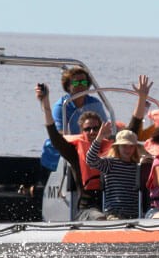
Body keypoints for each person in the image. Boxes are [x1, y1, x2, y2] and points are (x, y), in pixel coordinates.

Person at [35, 75, 152, 220]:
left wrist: (141, 98)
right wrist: (45, 103)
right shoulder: (73, 152)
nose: (92, 132)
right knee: (100, 218)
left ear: (102, 129)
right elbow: (54, 135)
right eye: (87, 129)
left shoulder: (113, 147)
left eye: (96, 128)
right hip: (88, 209)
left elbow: (132, 129)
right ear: (82, 131)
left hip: (113, 207)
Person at [40, 67, 108, 172]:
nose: (81, 85)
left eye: (84, 82)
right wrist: (82, 139)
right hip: (63, 150)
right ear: (68, 86)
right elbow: (59, 134)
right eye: (76, 83)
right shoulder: (61, 106)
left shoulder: (95, 104)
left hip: (88, 147)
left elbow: (105, 128)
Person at [86, 123, 146, 220]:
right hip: (114, 214)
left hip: (135, 215)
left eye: (131, 146)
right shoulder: (110, 164)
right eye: (124, 146)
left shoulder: (138, 167)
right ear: (117, 147)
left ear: (135, 148)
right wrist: (99, 138)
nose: (128, 149)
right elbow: (90, 160)